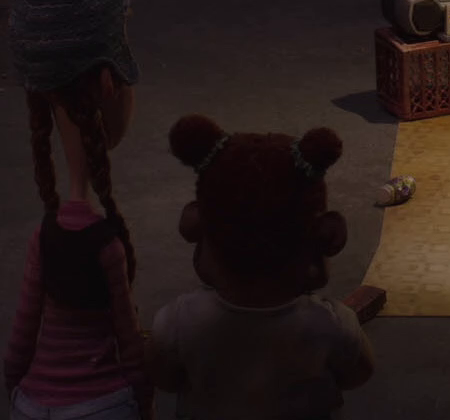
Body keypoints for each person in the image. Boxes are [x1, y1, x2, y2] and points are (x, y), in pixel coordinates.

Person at [3, 0, 153, 420]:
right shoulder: (106, 244)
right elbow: (129, 345)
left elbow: (20, 342)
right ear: (108, 81)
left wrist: (16, 392)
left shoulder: (43, 239)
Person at [146, 115, 376, 419]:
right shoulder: (332, 324)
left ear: (200, 226)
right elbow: (359, 374)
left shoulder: (177, 323)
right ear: (320, 236)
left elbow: (163, 378)